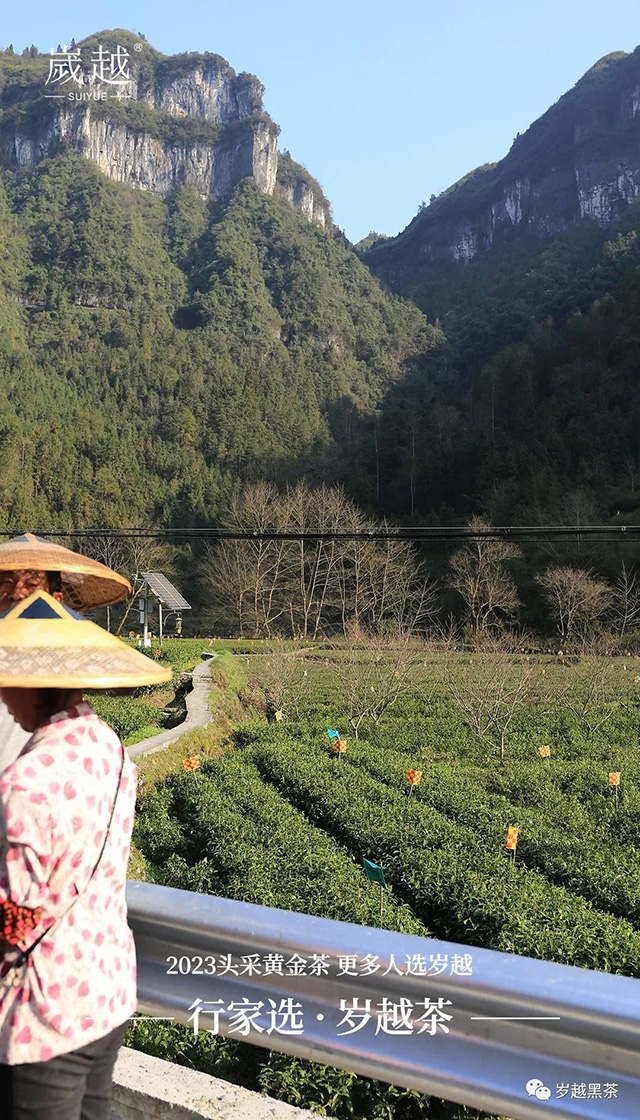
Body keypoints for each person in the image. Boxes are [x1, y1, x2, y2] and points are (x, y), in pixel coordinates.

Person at [0, 589, 171, 1119]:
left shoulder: (24, 784)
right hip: (107, 989)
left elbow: (13, 923)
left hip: (45, 1010)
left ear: (35, 685)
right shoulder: (110, 748)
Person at [0, 534, 130, 774]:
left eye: (30, 585)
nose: (16, 594)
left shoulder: (62, 689)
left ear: (56, 602)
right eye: (6, 582)